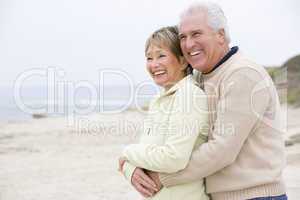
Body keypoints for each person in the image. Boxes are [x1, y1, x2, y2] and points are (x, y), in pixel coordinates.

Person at [127, 2, 287, 200]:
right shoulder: (201, 77)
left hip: (253, 196)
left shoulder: (243, 74)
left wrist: (162, 177)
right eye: (183, 37)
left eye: (196, 34)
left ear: (220, 35)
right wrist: (129, 165)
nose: (188, 44)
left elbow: (221, 150)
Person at [119, 26, 209, 200]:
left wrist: (126, 153)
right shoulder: (160, 100)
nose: (154, 64)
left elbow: (173, 158)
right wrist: (128, 168)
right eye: (149, 58)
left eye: (161, 55)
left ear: (183, 62)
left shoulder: (189, 95)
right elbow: (146, 153)